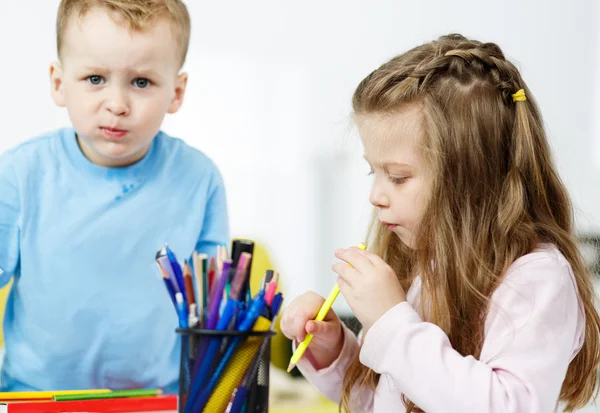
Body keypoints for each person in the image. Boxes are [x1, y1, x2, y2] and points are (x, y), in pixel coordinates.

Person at [281, 34, 600, 413]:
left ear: (469, 181)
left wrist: (391, 324)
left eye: (397, 176)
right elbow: (393, 400)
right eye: (374, 172)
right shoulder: (427, 269)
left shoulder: (538, 279)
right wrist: (335, 350)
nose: (376, 196)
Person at [0, 0, 229, 391]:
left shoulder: (199, 178)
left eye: (141, 82)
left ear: (176, 92)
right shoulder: (20, 173)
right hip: (33, 397)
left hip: (157, 400)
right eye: (94, 79)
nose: (117, 105)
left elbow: (212, 309)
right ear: (58, 83)